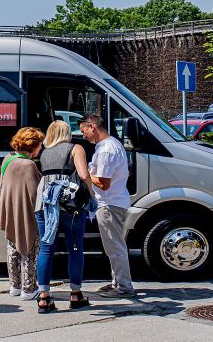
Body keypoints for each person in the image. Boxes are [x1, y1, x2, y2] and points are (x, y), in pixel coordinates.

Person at [34, 120, 94, 313]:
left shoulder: (44, 152)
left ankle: (44, 297)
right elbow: (84, 174)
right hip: (70, 203)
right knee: (75, 247)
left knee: (46, 248)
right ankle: (76, 294)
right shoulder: (76, 148)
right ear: (67, 132)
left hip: (44, 202)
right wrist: (91, 194)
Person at [79, 114, 135, 298]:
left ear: (92, 126)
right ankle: (117, 282)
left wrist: (84, 173)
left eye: (84, 130)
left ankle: (124, 287)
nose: (83, 135)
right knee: (113, 246)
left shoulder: (106, 150)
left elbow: (103, 183)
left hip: (109, 203)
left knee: (115, 246)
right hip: (113, 202)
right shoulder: (110, 145)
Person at [0, 127, 45, 302]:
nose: (41, 148)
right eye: (39, 145)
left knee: (13, 249)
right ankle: (28, 289)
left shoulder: (8, 159)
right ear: (33, 145)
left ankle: (15, 286)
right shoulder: (28, 165)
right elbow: (35, 194)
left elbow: (4, 184)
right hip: (27, 214)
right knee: (30, 250)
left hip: (10, 211)